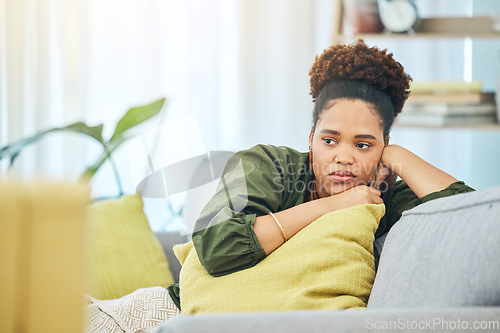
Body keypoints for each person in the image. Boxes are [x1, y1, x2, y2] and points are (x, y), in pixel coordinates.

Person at [86, 39, 474, 332]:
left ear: (382, 146)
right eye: (329, 139)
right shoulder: (269, 165)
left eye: (363, 144)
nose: (343, 156)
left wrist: (399, 157)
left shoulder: (386, 193)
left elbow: (472, 220)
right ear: (310, 139)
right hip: (170, 315)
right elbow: (217, 246)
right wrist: (333, 206)